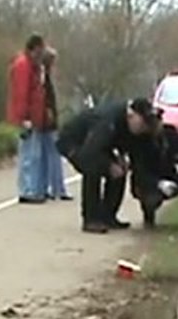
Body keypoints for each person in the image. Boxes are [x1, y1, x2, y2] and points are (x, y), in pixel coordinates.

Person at [126, 98, 178, 230]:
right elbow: (139, 172)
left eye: (158, 120)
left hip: (171, 176)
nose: (156, 125)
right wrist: (158, 183)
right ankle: (149, 216)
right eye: (152, 123)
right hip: (150, 182)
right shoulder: (138, 142)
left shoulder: (170, 134)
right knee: (150, 198)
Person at [55, 100, 138, 233]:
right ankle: (91, 219)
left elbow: (121, 142)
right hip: (73, 141)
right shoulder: (107, 121)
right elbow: (91, 150)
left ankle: (108, 216)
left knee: (119, 171)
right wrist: (109, 164)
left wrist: (121, 160)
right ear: (132, 116)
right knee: (93, 168)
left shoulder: (125, 122)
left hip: (97, 145)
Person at [6, 33, 48, 203]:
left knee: (33, 154)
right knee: (28, 155)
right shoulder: (24, 66)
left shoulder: (32, 66)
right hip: (28, 118)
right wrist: (24, 118)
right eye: (40, 49)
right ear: (34, 48)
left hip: (34, 117)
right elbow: (21, 93)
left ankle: (31, 188)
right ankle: (27, 190)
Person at [40, 47, 72, 201]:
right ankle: (55, 188)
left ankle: (54, 187)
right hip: (46, 121)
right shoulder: (43, 78)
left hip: (48, 120)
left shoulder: (46, 77)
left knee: (50, 155)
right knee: (52, 154)